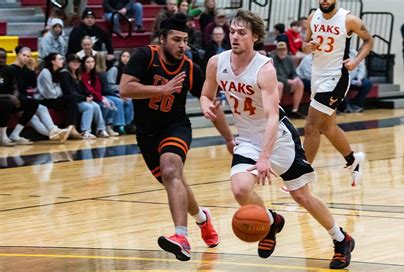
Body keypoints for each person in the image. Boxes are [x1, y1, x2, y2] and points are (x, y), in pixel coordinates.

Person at [200, 9, 355, 270]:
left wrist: (264, 158)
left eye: (241, 33)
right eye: (232, 32)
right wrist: (206, 104)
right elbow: (206, 93)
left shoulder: (264, 68)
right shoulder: (217, 62)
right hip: (248, 139)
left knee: (302, 197)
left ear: (255, 37)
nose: (234, 37)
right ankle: (271, 222)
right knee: (239, 189)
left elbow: (272, 116)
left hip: (279, 138)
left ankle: (341, 239)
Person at [120, 13, 231, 261]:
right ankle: (203, 218)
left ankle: (181, 237)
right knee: (175, 182)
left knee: (171, 170)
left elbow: (212, 104)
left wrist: (228, 138)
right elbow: (125, 89)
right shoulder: (145, 56)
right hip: (146, 135)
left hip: (175, 127)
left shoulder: (191, 69)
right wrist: (162, 89)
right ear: (162, 39)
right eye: (176, 39)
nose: (182, 45)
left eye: (185, 40)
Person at [302, 0, 374, 186]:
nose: (325, 0)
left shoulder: (349, 19)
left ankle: (301, 176)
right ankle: (353, 160)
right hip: (317, 77)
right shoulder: (313, 17)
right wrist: (308, 47)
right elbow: (304, 43)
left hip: (336, 78)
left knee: (311, 127)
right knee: (328, 128)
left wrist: (356, 61)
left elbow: (368, 41)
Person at [1, 47, 38, 145]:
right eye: (0, 57)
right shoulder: (12, 67)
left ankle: (15, 134)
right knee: (7, 103)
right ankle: (2, 137)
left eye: (4, 57)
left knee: (33, 103)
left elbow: (14, 87)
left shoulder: (7, 69)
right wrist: (10, 96)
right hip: (4, 101)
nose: (2, 60)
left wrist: (15, 97)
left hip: (9, 100)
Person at [272, 42, 305, 118]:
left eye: (283, 50)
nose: (282, 52)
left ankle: (295, 111)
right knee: (280, 84)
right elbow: (274, 76)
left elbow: (294, 73)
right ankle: (276, 111)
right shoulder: (272, 59)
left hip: (288, 84)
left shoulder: (289, 59)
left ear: (286, 50)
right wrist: (287, 81)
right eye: (280, 50)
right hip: (276, 83)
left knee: (300, 83)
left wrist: (296, 78)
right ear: (276, 51)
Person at [107, 50, 135, 134]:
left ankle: (128, 124)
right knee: (120, 101)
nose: (125, 58)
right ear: (120, 58)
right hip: (114, 92)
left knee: (130, 101)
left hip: (125, 93)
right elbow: (110, 85)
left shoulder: (131, 70)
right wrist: (122, 89)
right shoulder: (114, 69)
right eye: (123, 56)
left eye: (128, 57)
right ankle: (119, 125)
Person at [342, 49, 372, 113]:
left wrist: (359, 78)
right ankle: (343, 107)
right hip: (340, 81)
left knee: (367, 84)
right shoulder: (336, 53)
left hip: (353, 80)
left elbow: (361, 67)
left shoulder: (354, 53)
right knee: (341, 86)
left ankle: (355, 104)